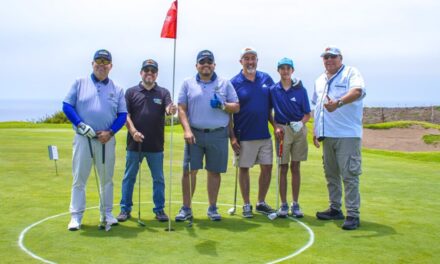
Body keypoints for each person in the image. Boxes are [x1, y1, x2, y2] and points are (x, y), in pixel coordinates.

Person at [63, 49, 127, 231]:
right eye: (98, 62)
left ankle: (106, 213)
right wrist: (80, 124)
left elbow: (122, 115)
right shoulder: (79, 83)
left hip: (106, 140)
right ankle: (76, 217)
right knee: (79, 179)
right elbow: (67, 106)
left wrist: (111, 132)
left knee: (107, 179)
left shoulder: (117, 89)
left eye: (105, 62)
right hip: (84, 138)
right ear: (92, 64)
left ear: (110, 66)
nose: (101, 65)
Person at [176, 50, 239, 221]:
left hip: (218, 134)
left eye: (209, 62)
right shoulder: (187, 83)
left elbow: (237, 106)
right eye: (202, 62)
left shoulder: (224, 83)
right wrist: (187, 130)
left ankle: (212, 208)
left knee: (214, 172)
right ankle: (186, 208)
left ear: (214, 65)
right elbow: (181, 108)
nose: (206, 64)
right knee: (190, 171)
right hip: (194, 134)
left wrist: (223, 105)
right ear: (196, 65)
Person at [312, 46, 366, 230]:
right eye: (326, 57)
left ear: (340, 58)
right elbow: (317, 106)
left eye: (333, 57)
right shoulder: (319, 80)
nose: (329, 60)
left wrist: (339, 102)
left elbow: (357, 92)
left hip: (347, 135)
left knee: (349, 175)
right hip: (328, 135)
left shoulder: (351, 73)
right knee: (331, 174)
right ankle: (335, 208)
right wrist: (315, 130)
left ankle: (353, 214)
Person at [116, 59, 176, 223]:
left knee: (158, 179)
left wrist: (171, 109)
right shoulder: (131, 92)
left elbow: (168, 108)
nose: (149, 73)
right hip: (134, 144)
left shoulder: (163, 92)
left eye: (153, 71)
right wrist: (133, 131)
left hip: (156, 145)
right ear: (141, 72)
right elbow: (125, 115)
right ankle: (125, 209)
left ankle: (159, 209)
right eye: (146, 70)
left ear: (156, 74)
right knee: (129, 177)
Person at [229, 47, 276, 218]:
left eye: (253, 58)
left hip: (264, 134)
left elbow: (271, 107)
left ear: (257, 60)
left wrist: (276, 126)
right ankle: (246, 204)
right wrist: (232, 136)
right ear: (240, 61)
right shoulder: (234, 82)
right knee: (244, 168)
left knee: (267, 167)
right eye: (246, 58)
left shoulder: (266, 79)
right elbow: (229, 114)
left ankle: (261, 202)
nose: (250, 62)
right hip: (244, 134)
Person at [270, 57, 311, 218]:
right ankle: (283, 204)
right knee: (283, 167)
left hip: (298, 130)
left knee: (296, 167)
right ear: (278, 70)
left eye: (288, 68)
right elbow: (269, 112)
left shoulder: (301, 90)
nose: (285, 71)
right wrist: (276, 126)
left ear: (292, 70)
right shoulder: (274, 89)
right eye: (282, 68)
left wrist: (301, 123)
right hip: (282, 130)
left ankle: (295, 203)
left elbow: (307, 114)